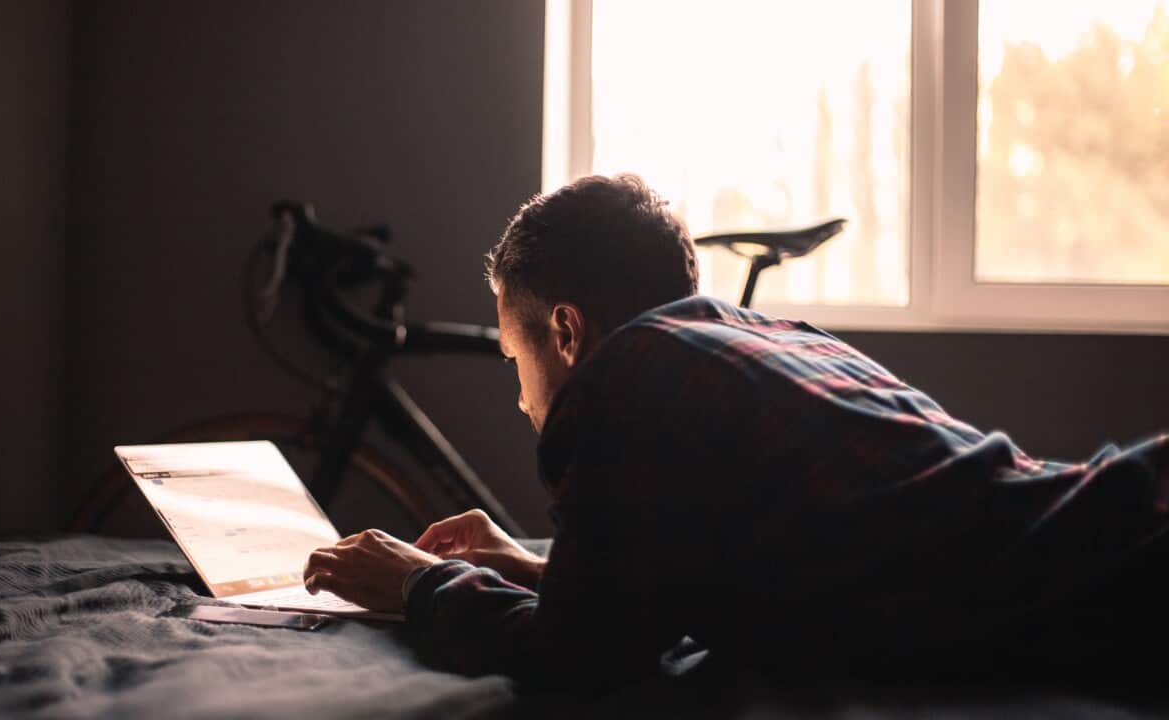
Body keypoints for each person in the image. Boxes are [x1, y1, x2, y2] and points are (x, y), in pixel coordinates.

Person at [302, 174, 1169, 690]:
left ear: (566, 333)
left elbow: (577, 658)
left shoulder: (628, 379)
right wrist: (538, 568)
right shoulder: (765, 339)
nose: (520, 398)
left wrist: (420, 584)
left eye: (513, 359)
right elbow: (735, 572)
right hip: (1111, 516)